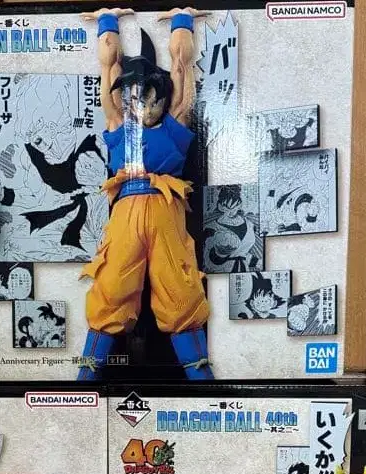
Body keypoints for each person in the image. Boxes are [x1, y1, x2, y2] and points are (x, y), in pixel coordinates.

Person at [77, 6, 213, 380]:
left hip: (165, 210)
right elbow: (108, 67)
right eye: (138, 99)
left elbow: (182, 69)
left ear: (163, 99)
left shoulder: (174, 126)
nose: (147, 107)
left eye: (154, 100)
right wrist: (107, 21)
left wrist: (182, 21)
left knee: (180, 290)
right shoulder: (118, 126)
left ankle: (201, 378)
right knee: (111, 287)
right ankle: (86, 378)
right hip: (127, 211)